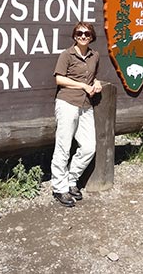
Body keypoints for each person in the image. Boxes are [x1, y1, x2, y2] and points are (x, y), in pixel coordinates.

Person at [50, 22, 103, 207]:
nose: (83, 36)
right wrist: (82, 85)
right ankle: (59, 187)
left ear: (91, 37)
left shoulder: (95, 55)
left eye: (87, 34)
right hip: (67, 103)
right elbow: (59, 78)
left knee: (89, 147)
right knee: (63, 146)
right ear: (74, 36)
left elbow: (93, 75)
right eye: (79, 33)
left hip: (86, 105)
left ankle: (72, 180)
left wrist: (96, 83)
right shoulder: (67, 54)